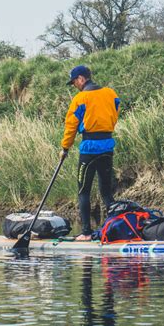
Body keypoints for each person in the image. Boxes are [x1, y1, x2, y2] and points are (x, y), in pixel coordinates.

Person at [61, 65, 120, 241]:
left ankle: (86, 233)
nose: (75, 86)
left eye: (74, 83)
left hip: (89, 148)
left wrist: (65, 148)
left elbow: (71, 126)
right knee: (106, 192)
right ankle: (114, 230)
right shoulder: (111, 93)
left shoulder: (81, 99)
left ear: (81, 79)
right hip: (107, 145)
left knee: (83, 191)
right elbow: (114, 113)